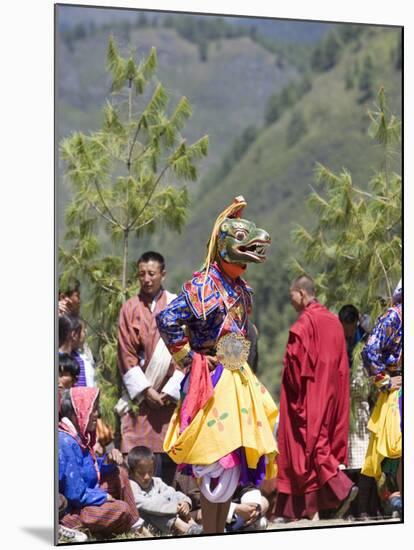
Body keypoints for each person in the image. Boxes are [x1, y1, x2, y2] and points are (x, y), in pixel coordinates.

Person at [156, 197, 279, 534]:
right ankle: (210, 533)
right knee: (215, 463)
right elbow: (166, 319)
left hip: (237, 380)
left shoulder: (240, 288)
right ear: (223, 247)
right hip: (210, 382)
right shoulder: (204, 286)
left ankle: (217, 532)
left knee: (232, 467)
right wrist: (189, 360)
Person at [274, 275, 357, 522]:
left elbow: (293, 370)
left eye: (292, 297)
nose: (291, 303)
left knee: (309, 449)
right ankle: (314, 514)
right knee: (317, 448)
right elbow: (343, 367)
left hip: (309, 399)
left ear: (301, 293)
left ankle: (342, 487)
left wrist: (294, 400)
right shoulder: (333, 322)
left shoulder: (304, 325)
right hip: (332, 399)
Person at [116, 251, 183, 485]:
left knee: (169, 457)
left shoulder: (176, 306)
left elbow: (185, 351)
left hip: (169, 398)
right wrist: (146, 390)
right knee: (138, 458)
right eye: (142, 274)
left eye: (151, 273)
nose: (146, 279)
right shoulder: (129, 309)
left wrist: (171, 389)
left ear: (162, 275)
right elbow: (126, 353)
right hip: (140, 401)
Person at [58, 387, 143, 539]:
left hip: (85, 496)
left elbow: (87, 468)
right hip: (73, 510)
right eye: (92, 409)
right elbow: (74, 494)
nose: (97, 414)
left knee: (119, 472)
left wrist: (107, 461)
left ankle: (134, 524)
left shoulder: (78, 437)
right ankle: (68, 526)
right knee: (121, 509)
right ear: (77, 411)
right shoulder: (64, 441)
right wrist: (102, 497)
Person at [361, 279, 402, 518]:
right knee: (395, 449)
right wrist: (385, 381)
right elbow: (370, 351)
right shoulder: (393, 317)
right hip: (396, 391)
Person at [128, 446, 203, 536]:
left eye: (150, 472)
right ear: (131, 472)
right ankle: (186, 529)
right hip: (149, 523)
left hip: (168, 520)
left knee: (174, 502)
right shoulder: (131, 485)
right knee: (154, 512)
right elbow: (147, 504)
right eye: (141, 473)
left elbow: (173, 492)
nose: (147, 477)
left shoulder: (156, 481)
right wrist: (173, 506)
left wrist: (185, 502)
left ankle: (193, 526)